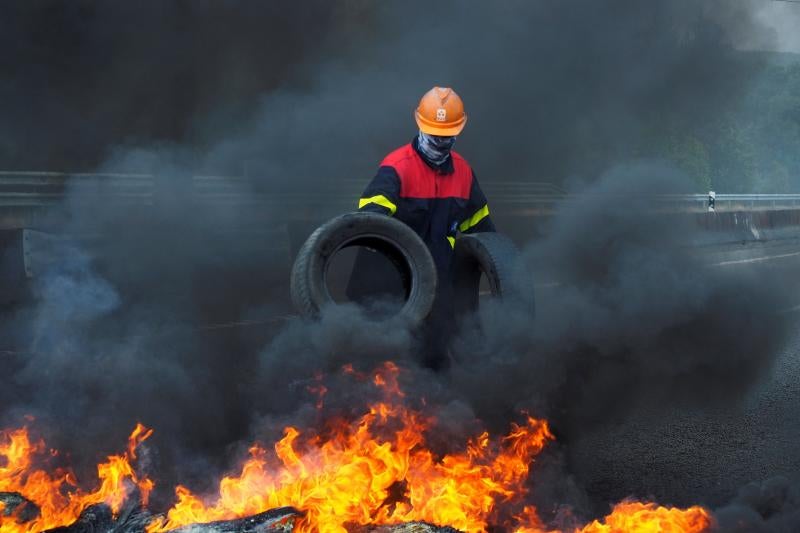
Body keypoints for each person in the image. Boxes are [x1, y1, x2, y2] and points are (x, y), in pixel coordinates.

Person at [351, 86, 495, 368]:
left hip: (437, 293)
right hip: (389, 292)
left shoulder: (463, 173)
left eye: (446, 137)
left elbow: (483, 232)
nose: (439, 142)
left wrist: (501, 268)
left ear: (458, 131)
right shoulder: (396, 167)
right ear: (420, 125)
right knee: (382, 373)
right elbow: (368, 222)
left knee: (434, 368)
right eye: (434, 135)